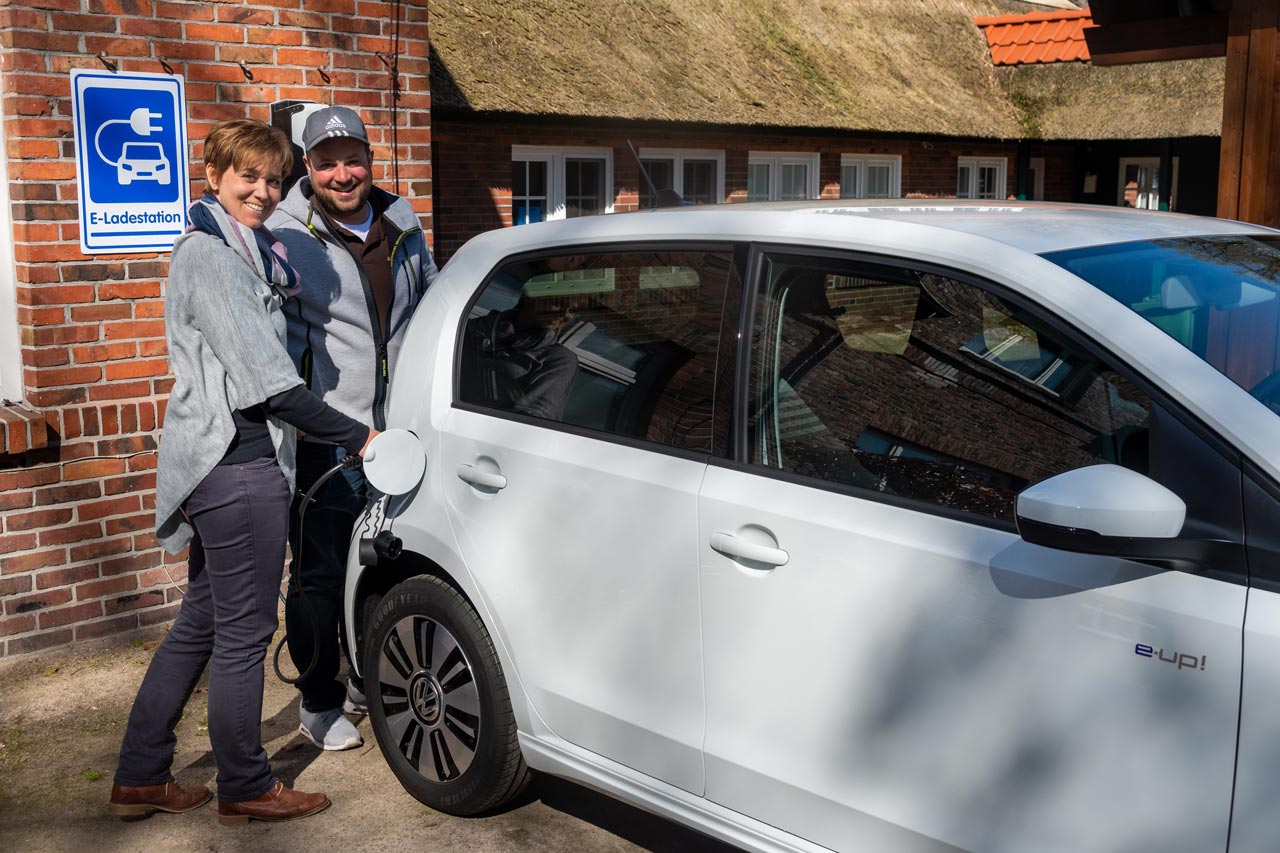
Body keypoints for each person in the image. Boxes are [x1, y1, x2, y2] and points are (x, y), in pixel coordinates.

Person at [110, 119, 376, 825]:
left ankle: (140, 772)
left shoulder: (241, 249)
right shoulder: (217, 259)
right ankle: (246, 783)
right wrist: (364, 436)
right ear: (213, 176)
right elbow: (271, 386)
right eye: (246, 177)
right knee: (243, 633)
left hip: (220, 464)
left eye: (271, 179)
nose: (261, 191)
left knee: (201, 620)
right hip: (238, 466)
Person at [267, 106, 437, 751]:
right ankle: (318, 700)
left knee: (387, 562)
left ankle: (372, 677)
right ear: (306, 167)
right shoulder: (285, 232)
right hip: (328, 438)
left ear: (370, 157)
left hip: (401, 434)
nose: (343, 173)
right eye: (327, 161)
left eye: (353, 158)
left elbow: (429, 302)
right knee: (319, 574)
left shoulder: (402, 221)